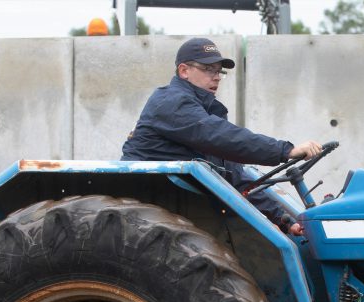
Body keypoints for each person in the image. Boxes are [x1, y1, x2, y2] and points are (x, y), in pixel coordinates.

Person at [122, 37, 321, 236]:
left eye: (219, 71)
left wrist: (283, 219)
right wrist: (285, 150)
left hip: (181, 205)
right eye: (209, 69)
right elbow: (219, 135)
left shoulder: (205, 111)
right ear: (184, 71)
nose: (216, 77)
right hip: (149, 208)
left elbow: (235, 176)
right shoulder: (171, 102)